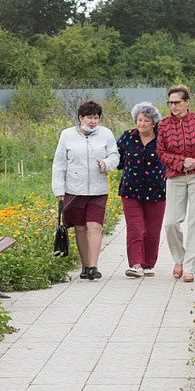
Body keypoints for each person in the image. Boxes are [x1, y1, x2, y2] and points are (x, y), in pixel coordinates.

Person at [52, 99, 119, 281]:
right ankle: (84, 266)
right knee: (80, 228)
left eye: (96, 118)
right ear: (80, 118)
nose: (93, 121)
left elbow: (115, 156)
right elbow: (59, 163)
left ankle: (94, 267)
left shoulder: (106, 134)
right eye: (89, 117)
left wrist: (106, 164)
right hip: (75, 189)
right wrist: (59, 188)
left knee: (95, 227)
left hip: (98, 188)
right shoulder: (67, 135)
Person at [156, 84, 195, 283]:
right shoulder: (164, 125)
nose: (173, 106)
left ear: (187, 102)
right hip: (174, 175)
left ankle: (190, 267)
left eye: (177, 102)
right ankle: (179, 259)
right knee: (171, 222)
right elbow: (161, 152)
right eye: (170, 102)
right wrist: (181, 162)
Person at [116, 102, 166, 278]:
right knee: (135, 227)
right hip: (130, 190)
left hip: (157, 191)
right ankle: (135, 264)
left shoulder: (162, 139)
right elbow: (116, 158)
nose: (141, 123)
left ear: (154, 123)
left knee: (152, 229)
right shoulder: (127, 137)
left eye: (146, 120)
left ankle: (148, 264)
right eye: (139, 120)